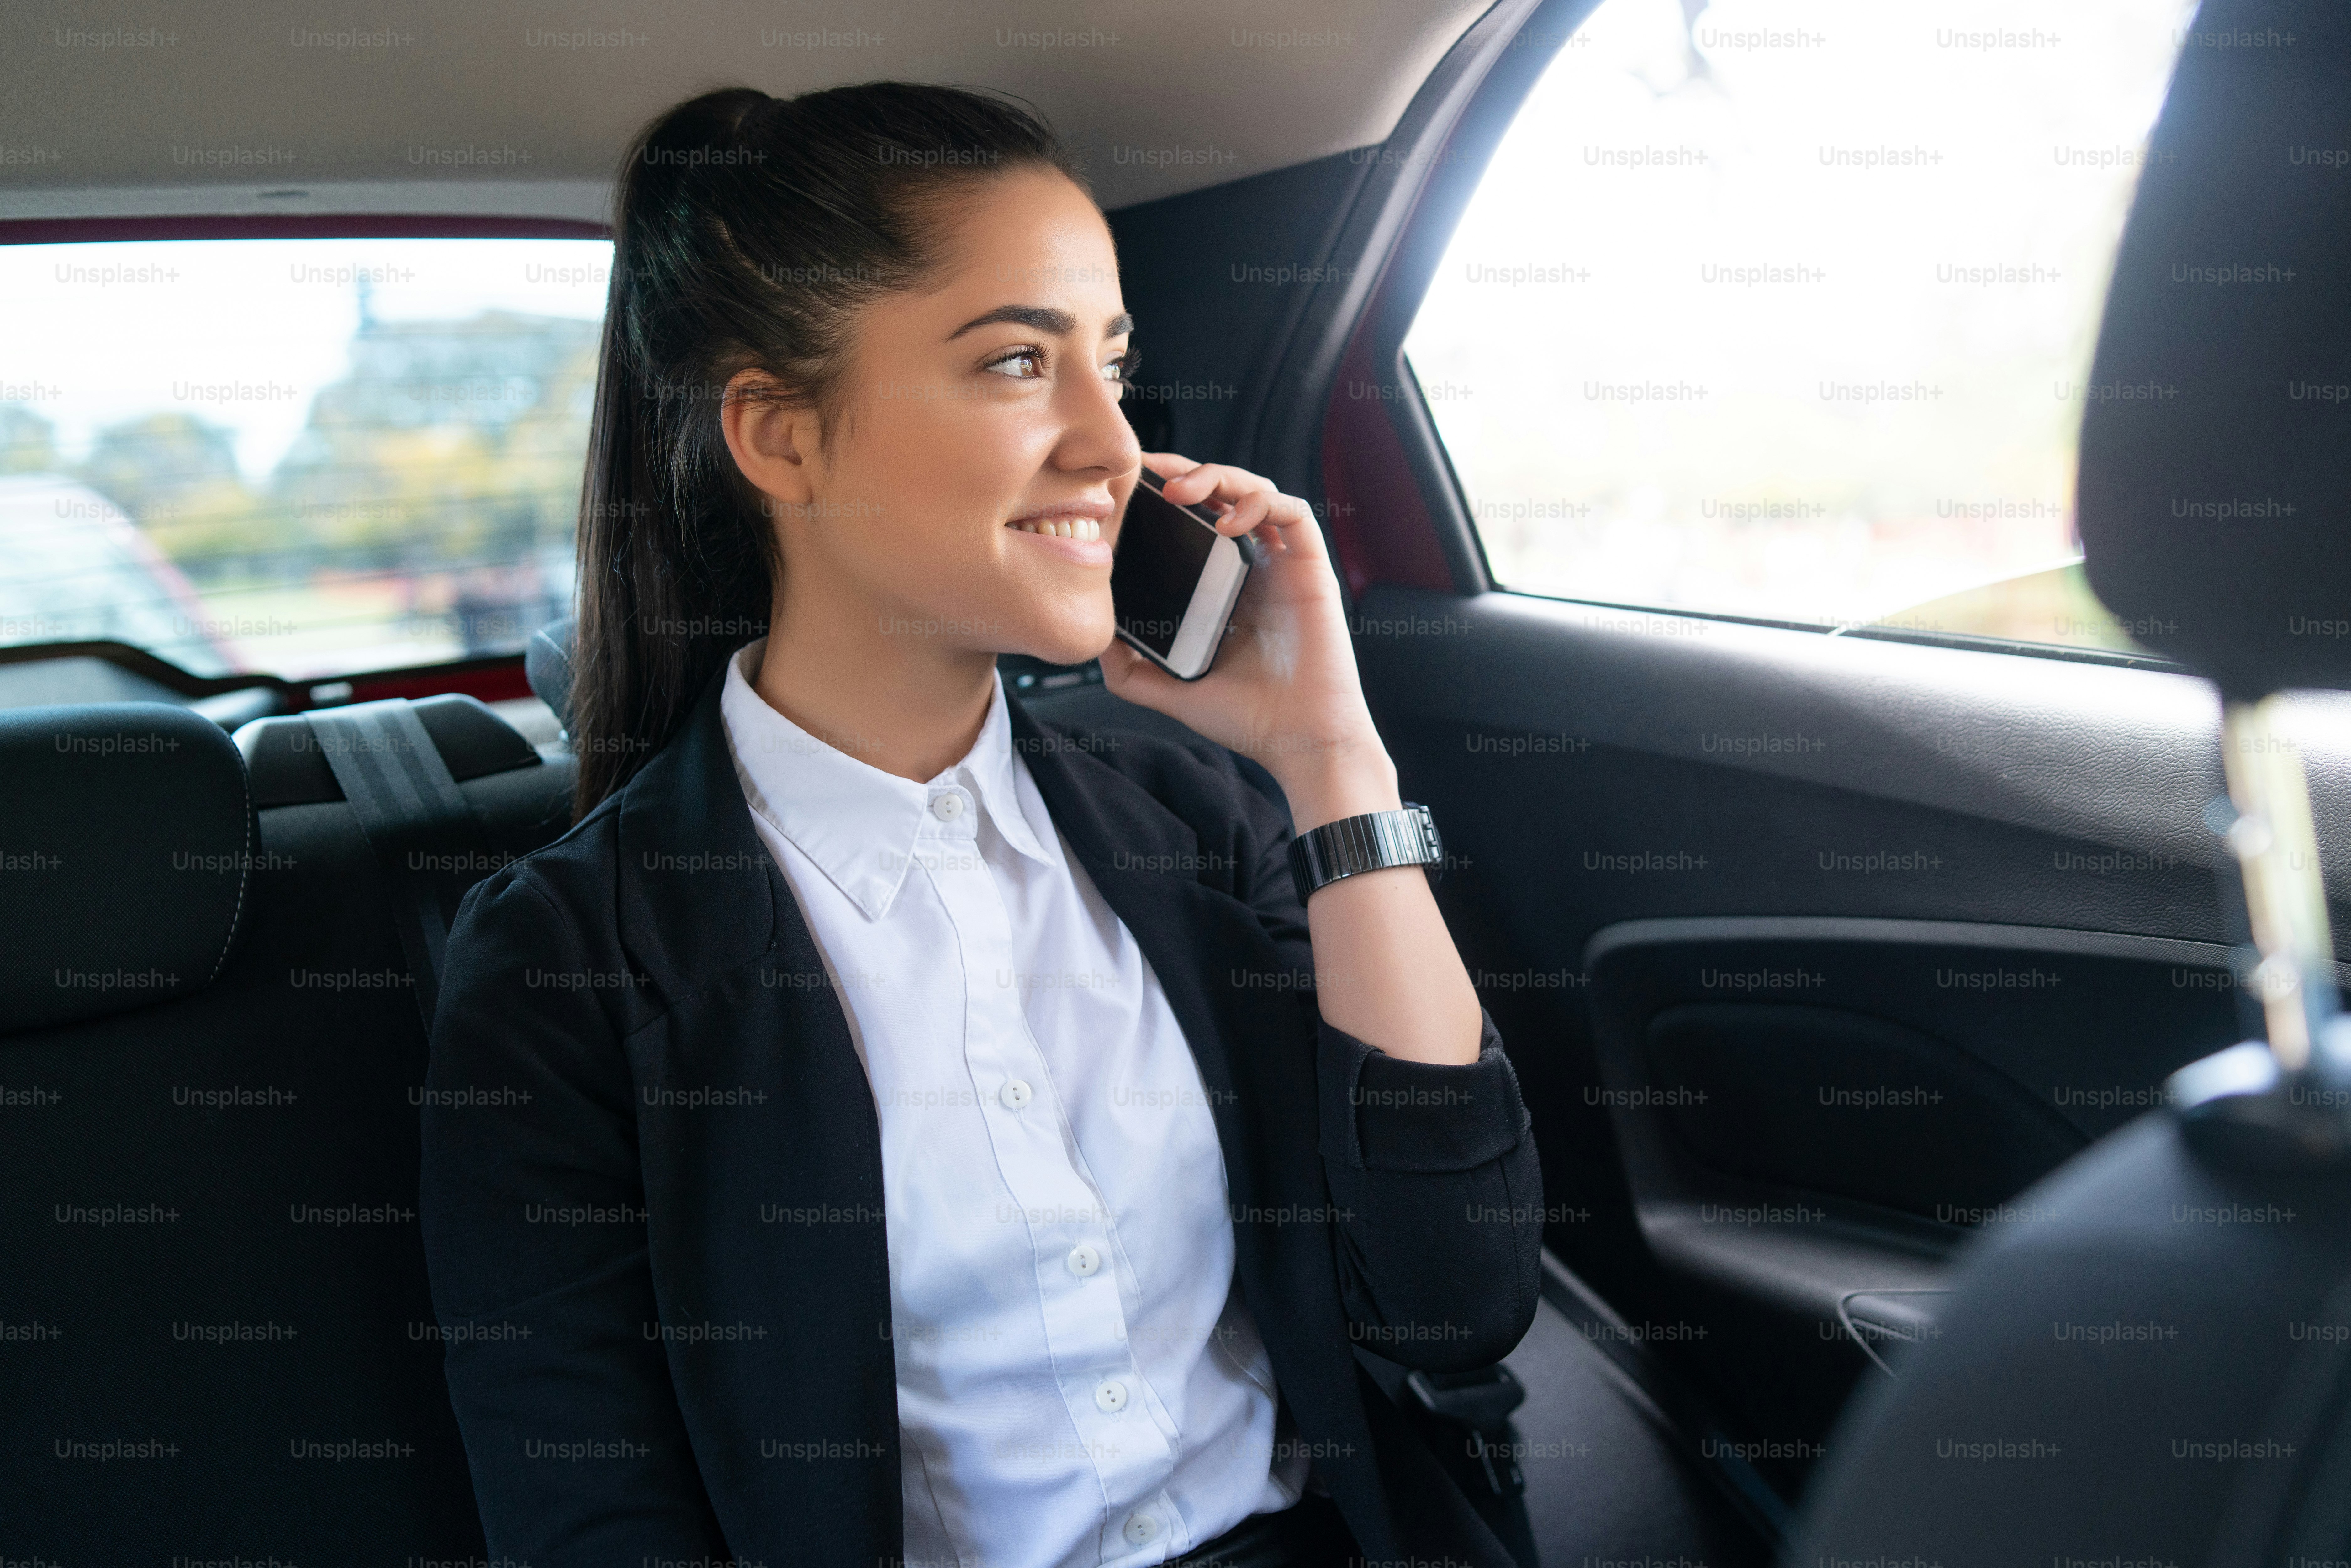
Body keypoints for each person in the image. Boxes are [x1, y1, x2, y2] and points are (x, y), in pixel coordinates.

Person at [418, 81, 1543, 1568]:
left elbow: (1456, 1299)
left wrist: (1333, 761)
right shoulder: (563, 968)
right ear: (780, 438)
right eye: (1019, 362)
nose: (1114, 445)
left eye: (1114, 367)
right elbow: (593, 1522)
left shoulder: (1193, 820)